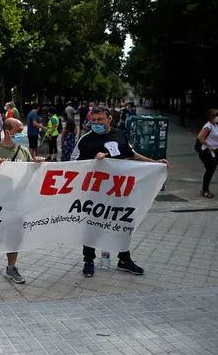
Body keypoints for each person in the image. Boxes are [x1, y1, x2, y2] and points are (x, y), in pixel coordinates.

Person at [70, 106, 169, 277]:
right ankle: (88, 260)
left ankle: (124, 259)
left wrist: (154, 163)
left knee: (123, 225)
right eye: (93, 120)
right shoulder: (85, 140)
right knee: (92, 227)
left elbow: (131, 154)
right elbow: (73, 164)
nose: (96, 123)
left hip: (119, 192)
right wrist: (94, 162)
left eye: (100, 120)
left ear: (109, 119)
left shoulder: (120, 135)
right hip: (95, 193)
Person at [0, 118, 44, 286]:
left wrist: (37, 163)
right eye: (19, 130)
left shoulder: (24, 150)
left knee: (14, 238)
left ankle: (11, 268)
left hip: (17, 203)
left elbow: (29, 172)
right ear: (8, 132)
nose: (22, 134)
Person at [196, 109, 218, 198]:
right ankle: (205, 189)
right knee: (209, 170)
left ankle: (205, 188)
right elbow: (200, 136)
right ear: (211, 117)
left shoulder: (216, 126)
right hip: (208, 152)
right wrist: (208, 145)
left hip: (217, 150)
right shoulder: (208, 126)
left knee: (211, 170)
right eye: (217, 116)